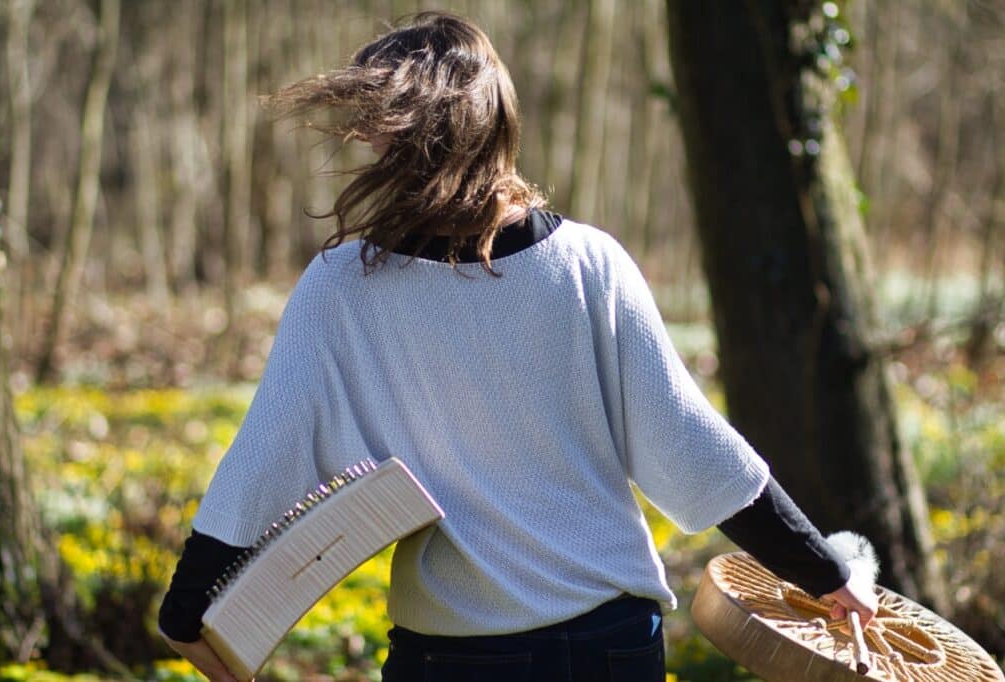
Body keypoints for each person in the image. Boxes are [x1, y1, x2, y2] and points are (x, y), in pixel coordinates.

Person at [158, 11, 878, 682]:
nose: (368, 146)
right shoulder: (589, 265)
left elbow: (265, 460)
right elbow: (694, 449)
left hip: (451, 655)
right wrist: (823, 569)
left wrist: (187, 609)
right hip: (610, 643)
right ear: (497, 125)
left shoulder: (343, 287)